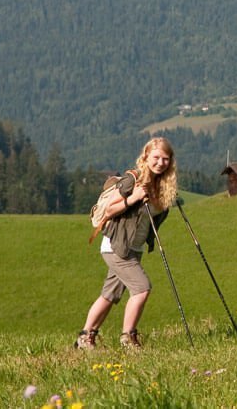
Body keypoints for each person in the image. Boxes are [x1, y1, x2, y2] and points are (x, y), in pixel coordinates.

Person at [75, 137, 178, 350]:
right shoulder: (133, 180)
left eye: (165, 159)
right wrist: (133, 198)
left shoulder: (162, 185)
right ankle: (128, 339)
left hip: (133, 248)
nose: (160, 163)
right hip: (116, 246)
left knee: (110, 294)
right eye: (156, 157)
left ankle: (85, 338)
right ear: (146, 156)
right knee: (142, 288)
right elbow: (109, 210)